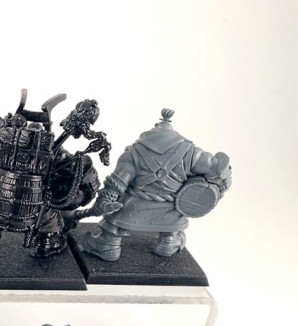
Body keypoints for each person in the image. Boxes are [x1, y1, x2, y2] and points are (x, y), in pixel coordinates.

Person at [80, 109, 231, 261]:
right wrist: (218, 188)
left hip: (132, 209)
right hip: (171, 212)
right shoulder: (193, 154)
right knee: (172, 232)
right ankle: (168, 242)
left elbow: (117, 183)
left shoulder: (132, 154)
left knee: (114, 221)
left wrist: (106, 201)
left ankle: (108, 245)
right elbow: (218, 171)